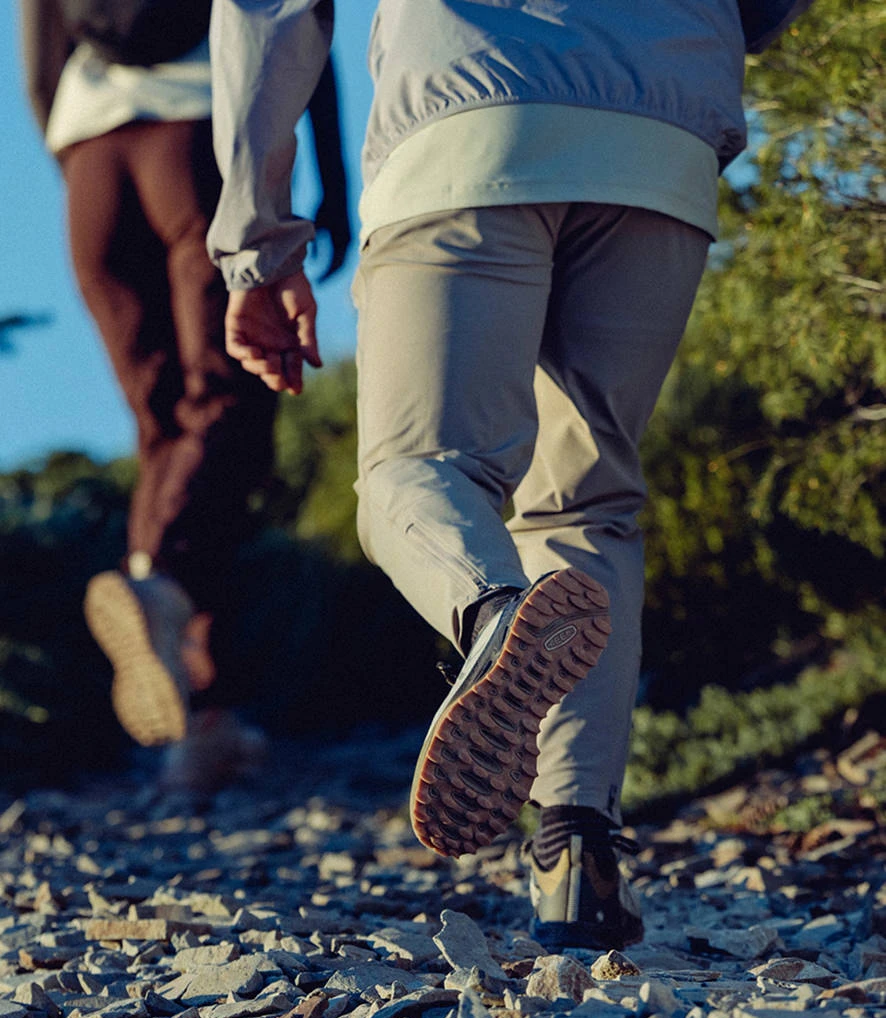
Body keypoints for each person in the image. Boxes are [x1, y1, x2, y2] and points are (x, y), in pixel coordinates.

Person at [206, 0, 814, 949]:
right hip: (662, 138)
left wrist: (256, 246)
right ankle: (577, 857)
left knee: (416, 469)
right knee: (587, 506)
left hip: (466, 119)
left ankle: (491, 613)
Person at [19, 0, 351, 790]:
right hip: (198, 138)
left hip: (91, 159)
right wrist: (333, 184)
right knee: (229, 396)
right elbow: (297, 22)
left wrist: (77, 159)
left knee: (163, 428)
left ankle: (204, 717)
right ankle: (161, 583)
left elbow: (38, 66)